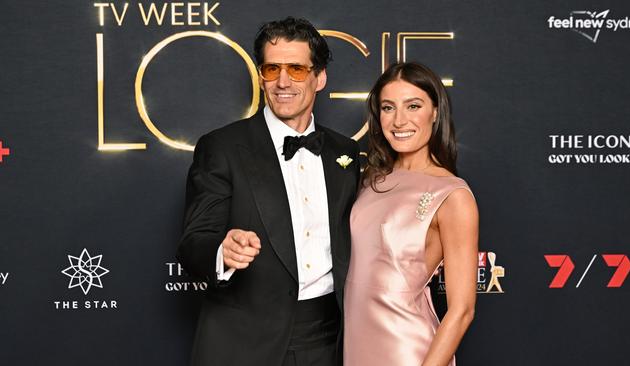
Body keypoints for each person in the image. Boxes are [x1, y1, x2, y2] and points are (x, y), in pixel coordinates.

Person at [177, 17, 360, 366]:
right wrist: (222, 251)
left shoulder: (345, 153)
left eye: (296, 69)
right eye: (272, 69)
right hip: (245, 342)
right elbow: (193, 241)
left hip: (328, 341)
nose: (283, 82)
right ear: (261, 75)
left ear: (319, 78)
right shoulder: (223, 146)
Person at [344, 62, 478, 366]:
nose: (399, 120)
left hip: (408, 350)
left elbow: (462, 310)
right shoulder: (370, 182)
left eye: (413, 105)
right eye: (388, 108)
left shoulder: (453, 194)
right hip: (355, 349)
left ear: (435, 111)